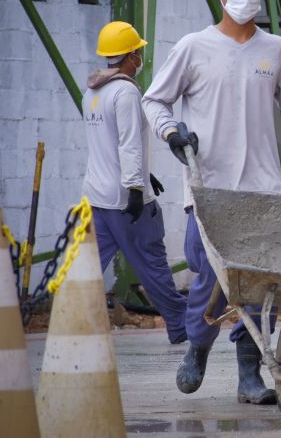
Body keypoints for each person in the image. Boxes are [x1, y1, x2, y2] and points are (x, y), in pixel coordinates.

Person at [142, 0, 281, 404]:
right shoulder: (193, 48)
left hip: (264, 188)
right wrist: (170, 133)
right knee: (208, 278)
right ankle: (198, 351)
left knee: (260, 285)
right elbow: (154, 100)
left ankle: (250, 375)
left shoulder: (276, 51)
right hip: (208, 188)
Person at [83, 21, 187, 344]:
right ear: (128, 57)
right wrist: (135, 186)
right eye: (137, 51)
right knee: (153, 265)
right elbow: (128, 142)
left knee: (85, 271)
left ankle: (71, 326)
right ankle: (181, 325)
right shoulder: (126, 92)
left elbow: (107, 142)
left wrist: (144, 172)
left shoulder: (93, 91)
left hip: (97, 197)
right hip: (125, 200)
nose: (140, 56)